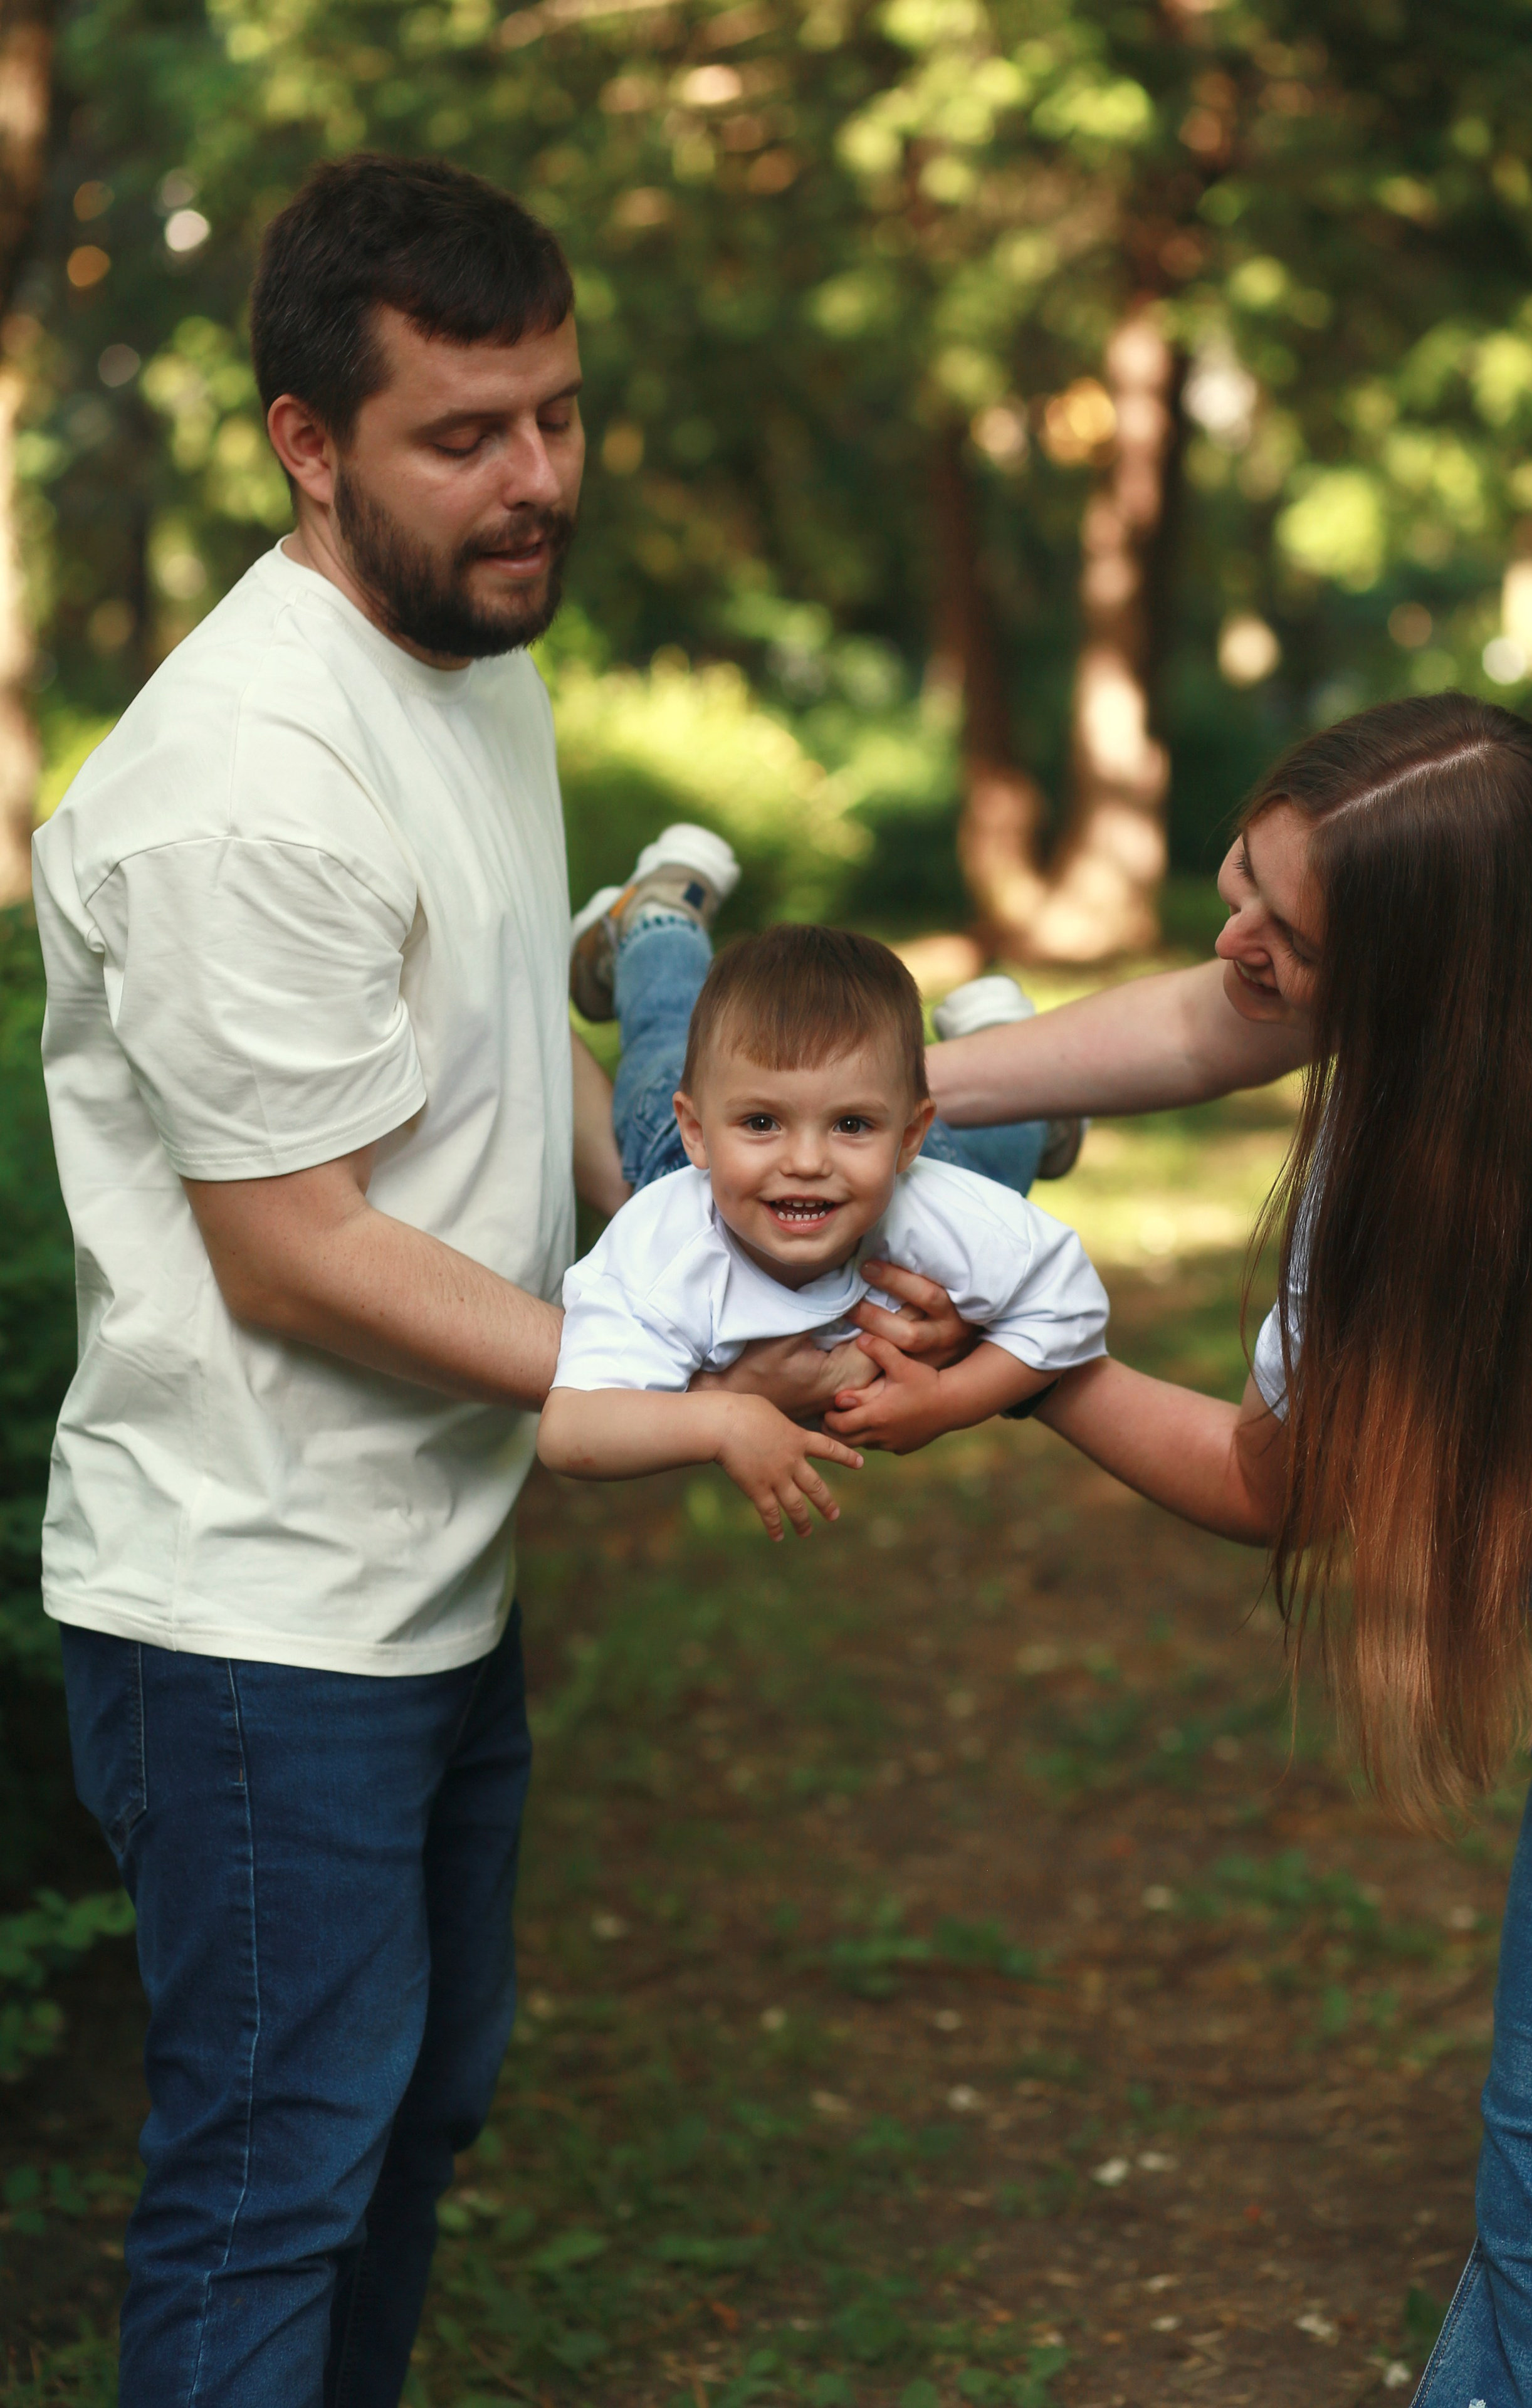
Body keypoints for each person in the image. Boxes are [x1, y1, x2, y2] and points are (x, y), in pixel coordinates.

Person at [29, 153, 629, 2406]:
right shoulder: (242, 777)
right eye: (463, 436)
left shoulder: (471, 654)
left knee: (404, 2125)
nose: (532, 481)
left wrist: (711, 1230)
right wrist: (635, 1382)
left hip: (428, 1578)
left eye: (557, 415)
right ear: (307, 440)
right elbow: (292, 1254)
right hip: (257, 1618)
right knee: (276, 2170)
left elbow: (507, 1063)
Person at [910, 691, 1532, 2408]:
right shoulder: (1521, 955)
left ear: (1420, 994)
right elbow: (1211, 1018)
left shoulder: (1473, 1171)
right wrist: (901, 1089)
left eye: (1286, 936)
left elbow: (1286, 1484)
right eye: (1241, 881)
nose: (1237, 942)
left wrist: (1028, 1356)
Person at [538, 838, 1110, 1535]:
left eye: (848, 1124)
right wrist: (721, 1419)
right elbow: (570, 1429)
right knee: (667, 1033)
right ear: (699, 1131)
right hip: (679, 1163)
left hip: (928, 1179)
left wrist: (951, 1399)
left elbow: (1070, 1304)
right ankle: (658, 917)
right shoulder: (662, 1249)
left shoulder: (935, 1201)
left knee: (981, 1176)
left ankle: (1024, 1082)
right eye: (761, 1121)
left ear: (907, 1138)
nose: (806, 1161)